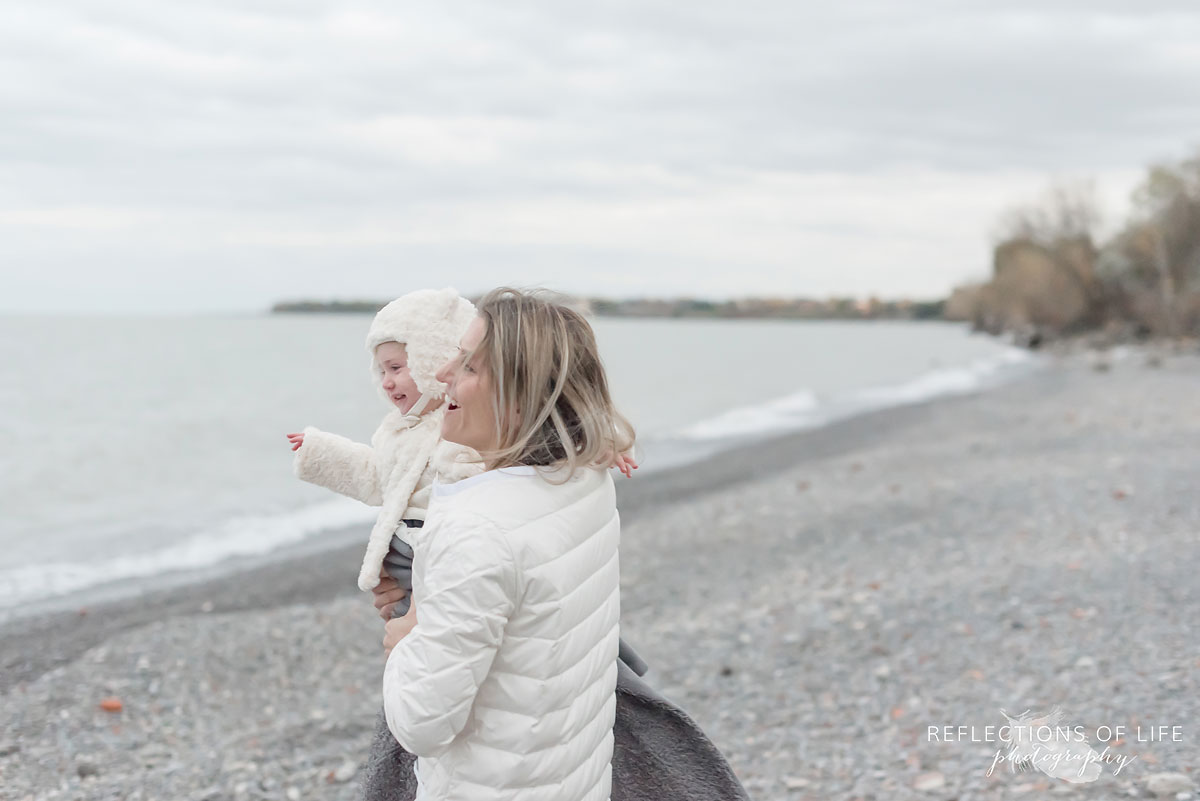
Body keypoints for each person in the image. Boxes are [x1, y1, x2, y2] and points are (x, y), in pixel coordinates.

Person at [366, 288, 749, 801]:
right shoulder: (584, 479)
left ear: (522, 395)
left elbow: (420, 724)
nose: (442, 372)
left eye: (470, 365)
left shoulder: (477, 529)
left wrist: (407, 637)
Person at [286, 287, 481, 614]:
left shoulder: (461, 424)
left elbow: (476, 490)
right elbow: (378, 479)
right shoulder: (397, 429)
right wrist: (320, 452)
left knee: (421, 634)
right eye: (381, 371)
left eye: (396, 368)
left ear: (432, 359)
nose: (387, 382)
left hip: (433, 558)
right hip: (403, 558)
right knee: (404, 637)